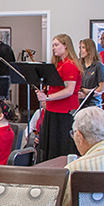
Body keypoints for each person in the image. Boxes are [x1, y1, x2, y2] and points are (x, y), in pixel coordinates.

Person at [35, 34, 82, 163]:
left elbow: (69, 90)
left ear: (66, 46)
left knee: (61, 146)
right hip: (53, 110)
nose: (54, 48)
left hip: (63, 111)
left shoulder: (69, 65)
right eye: (53, 45)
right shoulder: (60, 64)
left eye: (56, 45)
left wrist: (48, 97)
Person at [78, 38, 104, 110]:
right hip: (80, 103)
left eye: (83, 47)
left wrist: (87, 92)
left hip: (93, 104)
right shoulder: (79, 64)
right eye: (80, 48)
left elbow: (102, 87)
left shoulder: (98, 65)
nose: (81, 50)